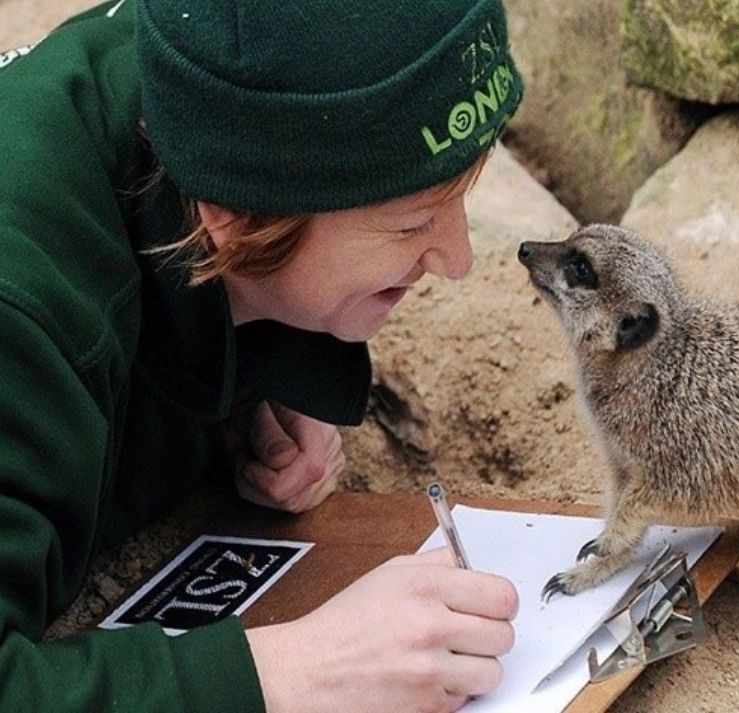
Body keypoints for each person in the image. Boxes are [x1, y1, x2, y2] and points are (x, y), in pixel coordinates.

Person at [0, 0, 524, 711]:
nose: (458, 259)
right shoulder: (23, 318)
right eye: (408, 222)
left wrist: (254, 373)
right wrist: (293, 671)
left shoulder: (204, 56)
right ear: (239, 213)